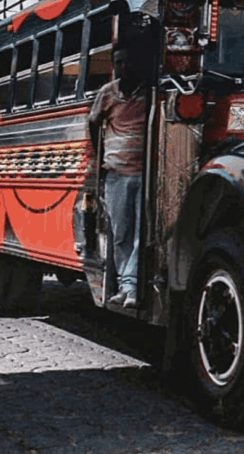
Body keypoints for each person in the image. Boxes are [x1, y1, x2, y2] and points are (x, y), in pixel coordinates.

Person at [88, 39, 148, 309]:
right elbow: (93, 123)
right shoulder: (107, 93)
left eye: (128, 61)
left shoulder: (148, 93)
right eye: (119, 62)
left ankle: (131, 286)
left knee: (139, 233)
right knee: (121, 233)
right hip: (116, 173)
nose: (124, 66)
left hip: (144, 173)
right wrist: (100, 158)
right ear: (113, 66)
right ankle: (126, 286)